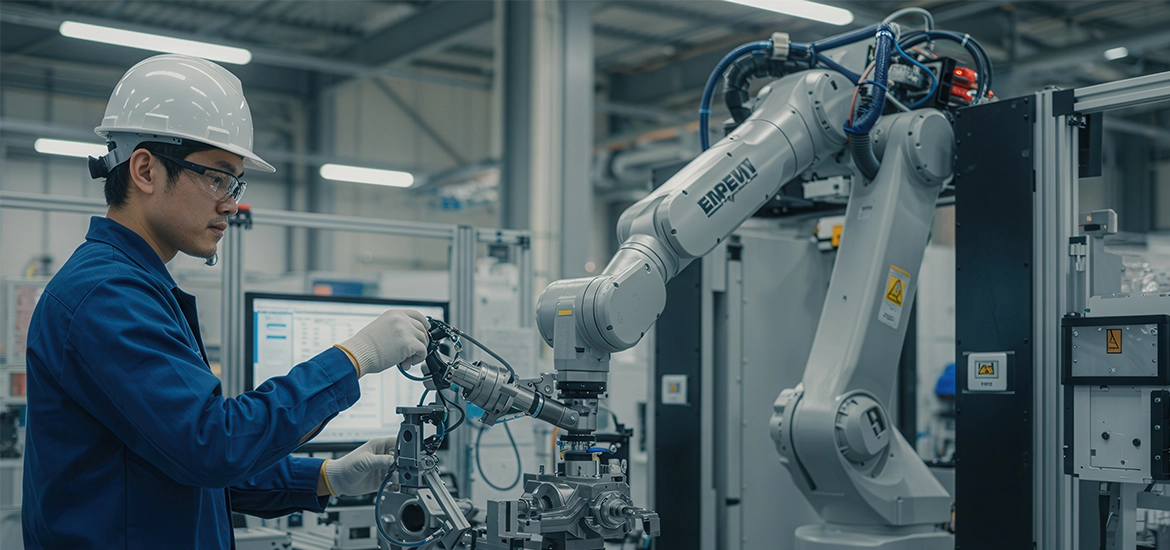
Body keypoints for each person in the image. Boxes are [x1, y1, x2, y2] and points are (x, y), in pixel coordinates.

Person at [21, 54, 431, 548]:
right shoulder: (107, 296)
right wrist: (354, 358)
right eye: (217, 177)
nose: (231, 203)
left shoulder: (137, 287)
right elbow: (212, 445)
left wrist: (328, 477)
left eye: (236, 182)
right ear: (146, 170)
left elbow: (179, 465)